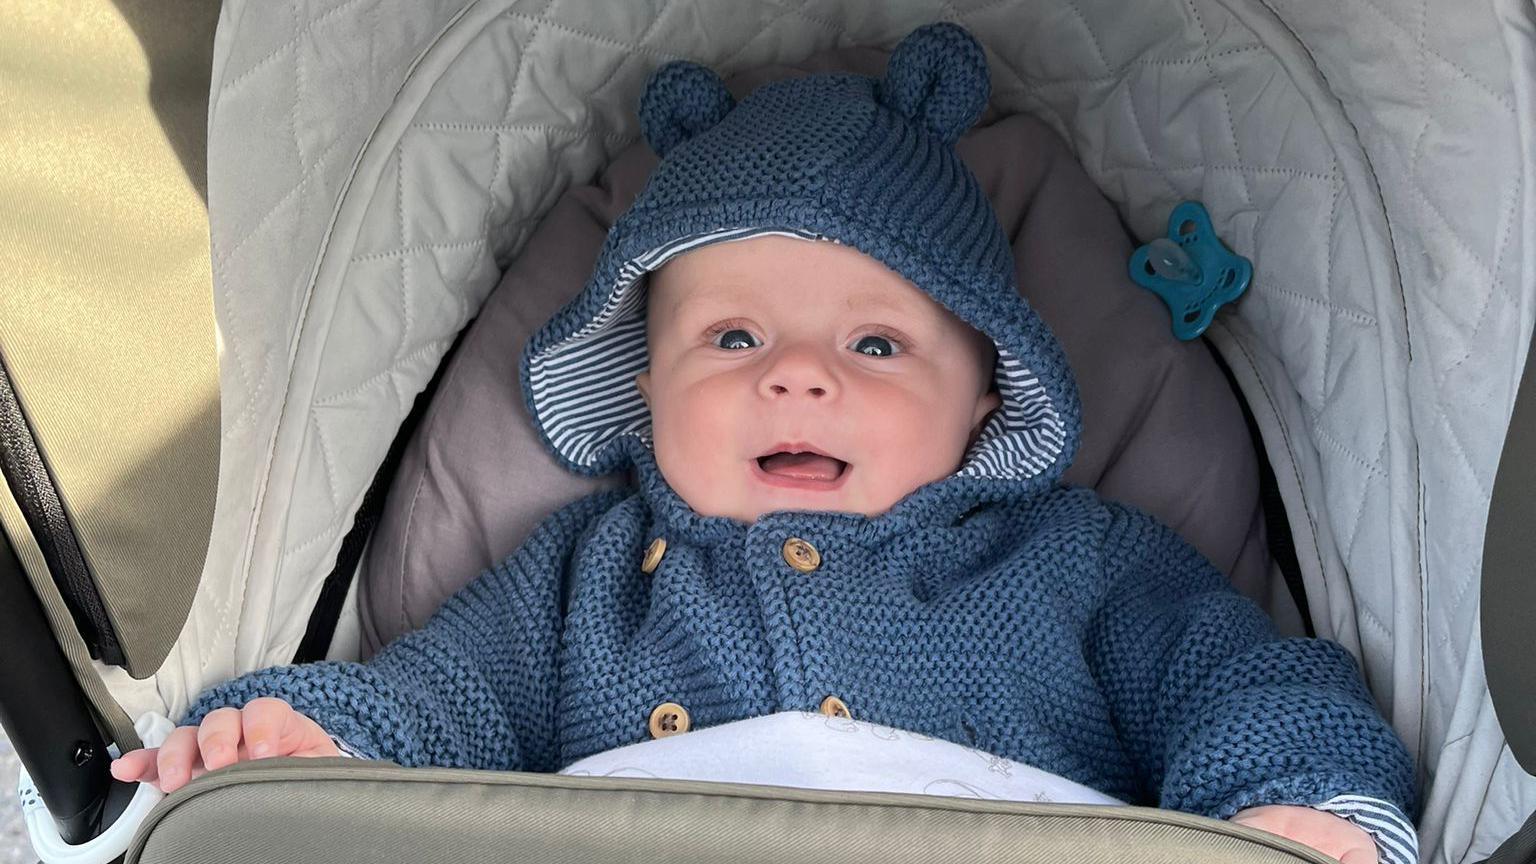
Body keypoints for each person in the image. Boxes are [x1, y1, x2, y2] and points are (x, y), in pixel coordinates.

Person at [111, 23, 1417, 864]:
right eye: (732, 341)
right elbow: (434, 704)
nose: (796, 378)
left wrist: (1299, 806)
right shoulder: (583, 576)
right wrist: (304, 737)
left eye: (876, 346)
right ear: (643, 382)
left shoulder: (1082, 562)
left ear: (986, 399)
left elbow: (1242, 683)